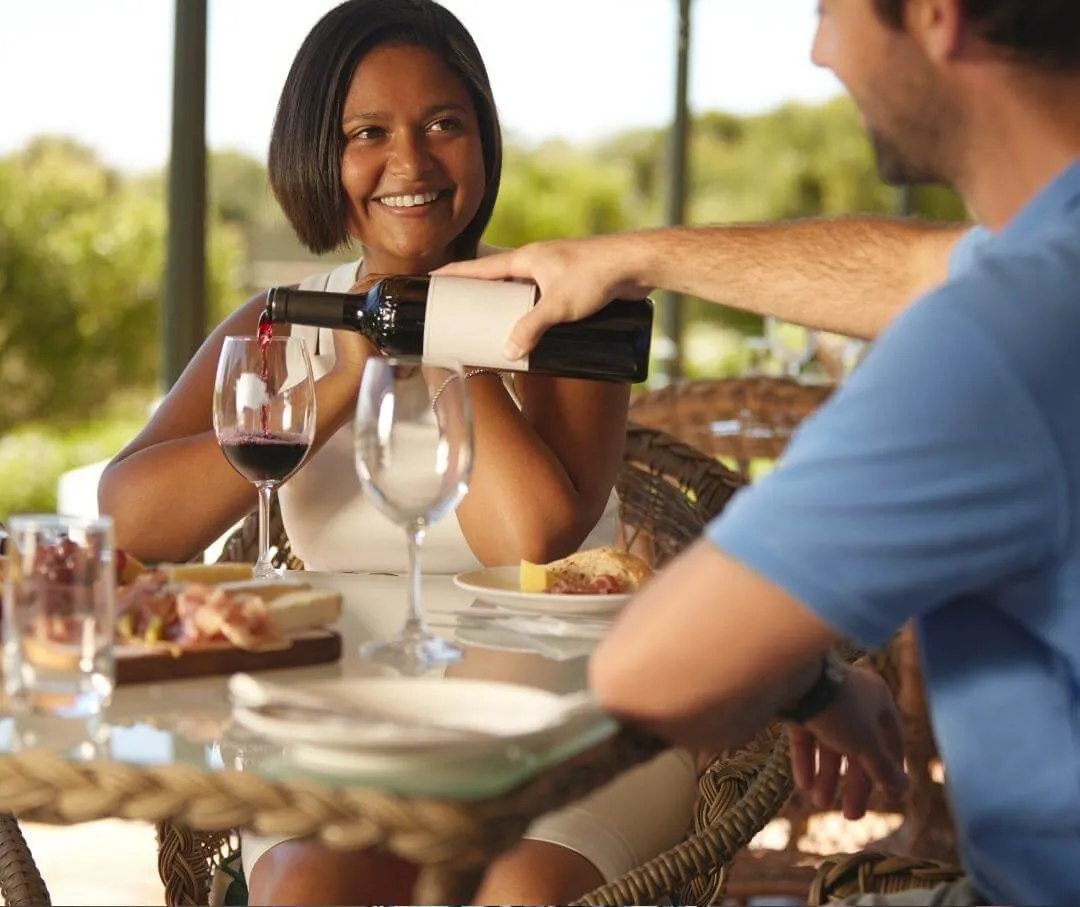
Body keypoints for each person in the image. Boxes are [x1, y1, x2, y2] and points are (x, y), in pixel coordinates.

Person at [440, 0, 1080, 903]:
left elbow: (653, 666)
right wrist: (626, 259)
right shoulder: (1050, 257)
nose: (820, 52)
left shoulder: (997, 340)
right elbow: (910, 269)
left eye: (829, 11)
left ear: (936, 16)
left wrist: (814, 683)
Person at [98, 1, 702, 903]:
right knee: (308, 886)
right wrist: (342, 383)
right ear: (319, 153)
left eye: (444, 125)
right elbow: (126, 520)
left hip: (563, 706)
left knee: (520, 891)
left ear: (483, 142)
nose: (411, 162)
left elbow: (531, 539)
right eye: (367, 132)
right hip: (337, 706)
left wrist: (439, 330)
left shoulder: (566, 314)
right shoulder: (279, 322)